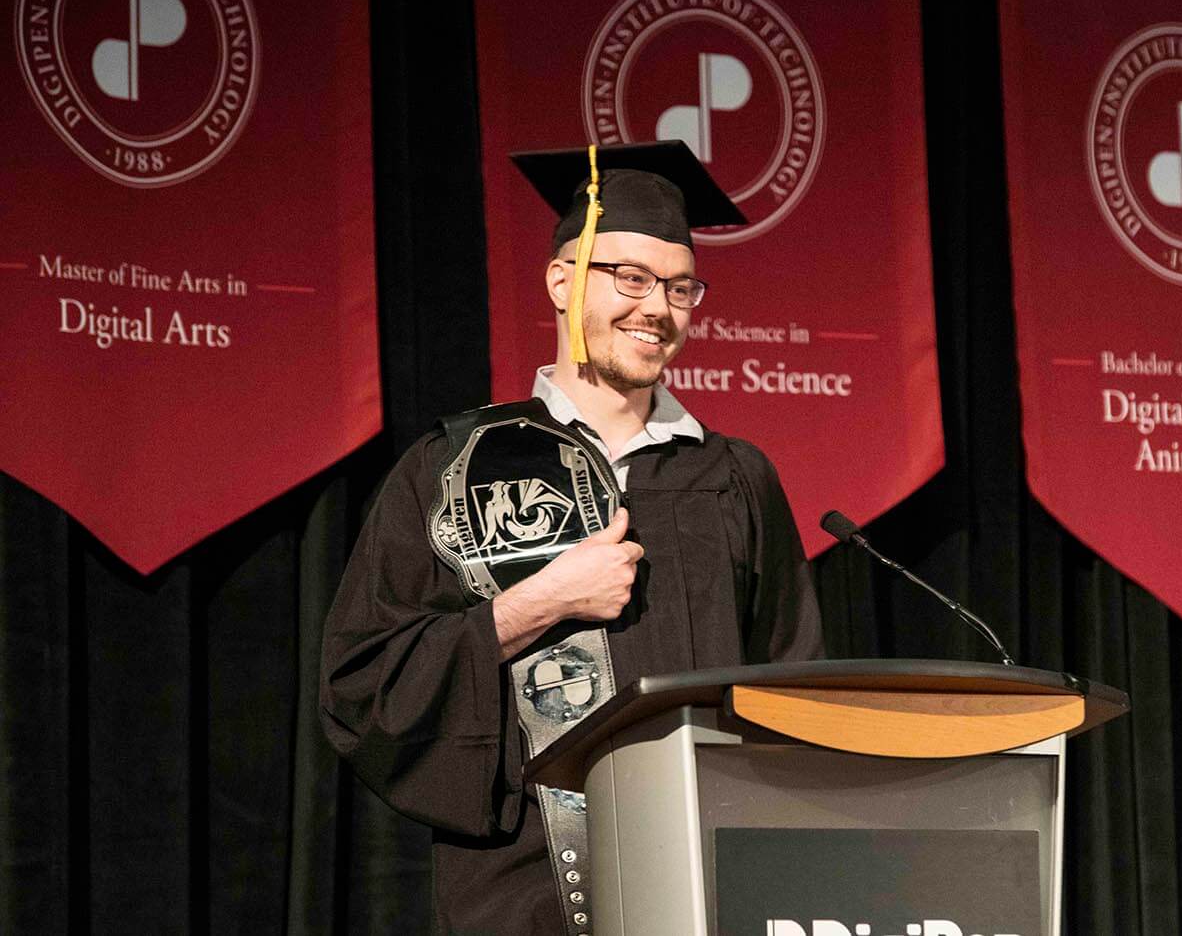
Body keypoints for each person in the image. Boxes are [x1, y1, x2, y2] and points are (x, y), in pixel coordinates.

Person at [320, 141, 826, 935]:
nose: (657, 307)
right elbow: (362, 684)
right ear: (562, 279)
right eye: (629, 277)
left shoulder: (734, 478)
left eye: (680, 286)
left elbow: (793, 694)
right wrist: (533, 605)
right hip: (521, 899)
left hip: (710, 891)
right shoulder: (454, 468)